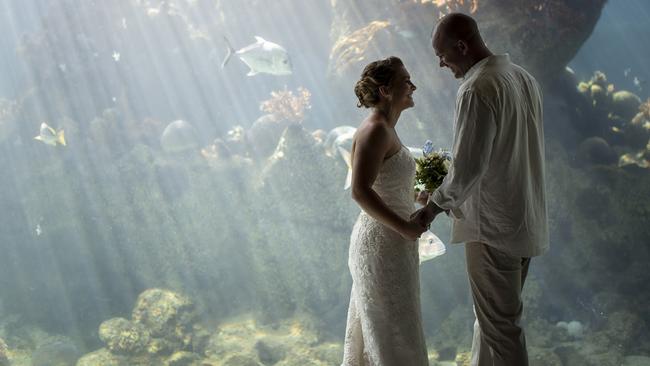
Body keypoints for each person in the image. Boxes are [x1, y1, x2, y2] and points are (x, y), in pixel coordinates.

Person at [412, 13, 549, 366]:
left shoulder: (476, 88)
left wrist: (431, 208)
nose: (442, 64)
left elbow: (469, 165)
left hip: (492, 228)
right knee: (490, 325)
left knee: (501, 329)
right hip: (524, 220)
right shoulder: (523, 78)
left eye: (443, 55)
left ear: (462, 46)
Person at [342, 56, 430, 366]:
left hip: (394, 242)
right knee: (391, 332)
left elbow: (384, 183)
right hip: (382, 242)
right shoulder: (376, 129)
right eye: (405, 81)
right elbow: (359, 190)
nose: (412, 86)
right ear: (385, 90)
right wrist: (404, 227)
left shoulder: (386, 128)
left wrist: (418, 196)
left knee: (393, 327)